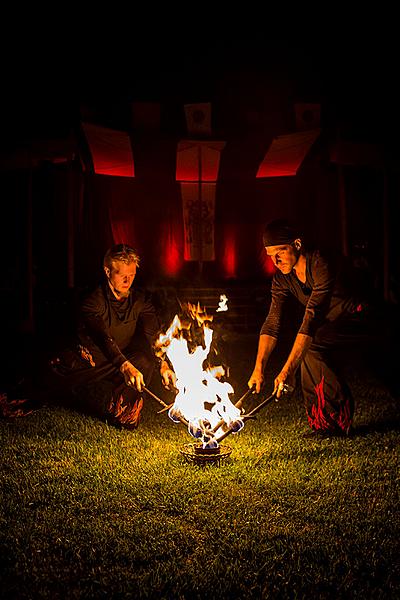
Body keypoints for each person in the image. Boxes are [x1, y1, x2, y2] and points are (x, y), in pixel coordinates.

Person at [248, 218, 371, 437]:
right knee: (307, 350)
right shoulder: (282, 279)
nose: (275, 261)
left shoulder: (320, 262)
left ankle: (338, 418)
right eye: (270, 255)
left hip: (359, 316)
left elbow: (311, 318)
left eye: (280, 252)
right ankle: (322, 423)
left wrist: (287, 371)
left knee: (311, 343)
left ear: (296, 244)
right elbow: (272, 321)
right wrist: (259, 368)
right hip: (328, 324)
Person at [42, 244, 175, 429]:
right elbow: (103, 338)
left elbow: (154, 334)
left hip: (115, 361)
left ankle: (124, 412)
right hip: (85, 361)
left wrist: (164, 365)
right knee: (41, 388)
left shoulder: (140, 300)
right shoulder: (93, 300)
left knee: (144, 361)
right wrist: (125, 366)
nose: (128, 280)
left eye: (132, 274)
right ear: (107, 271)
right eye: (122, 275)